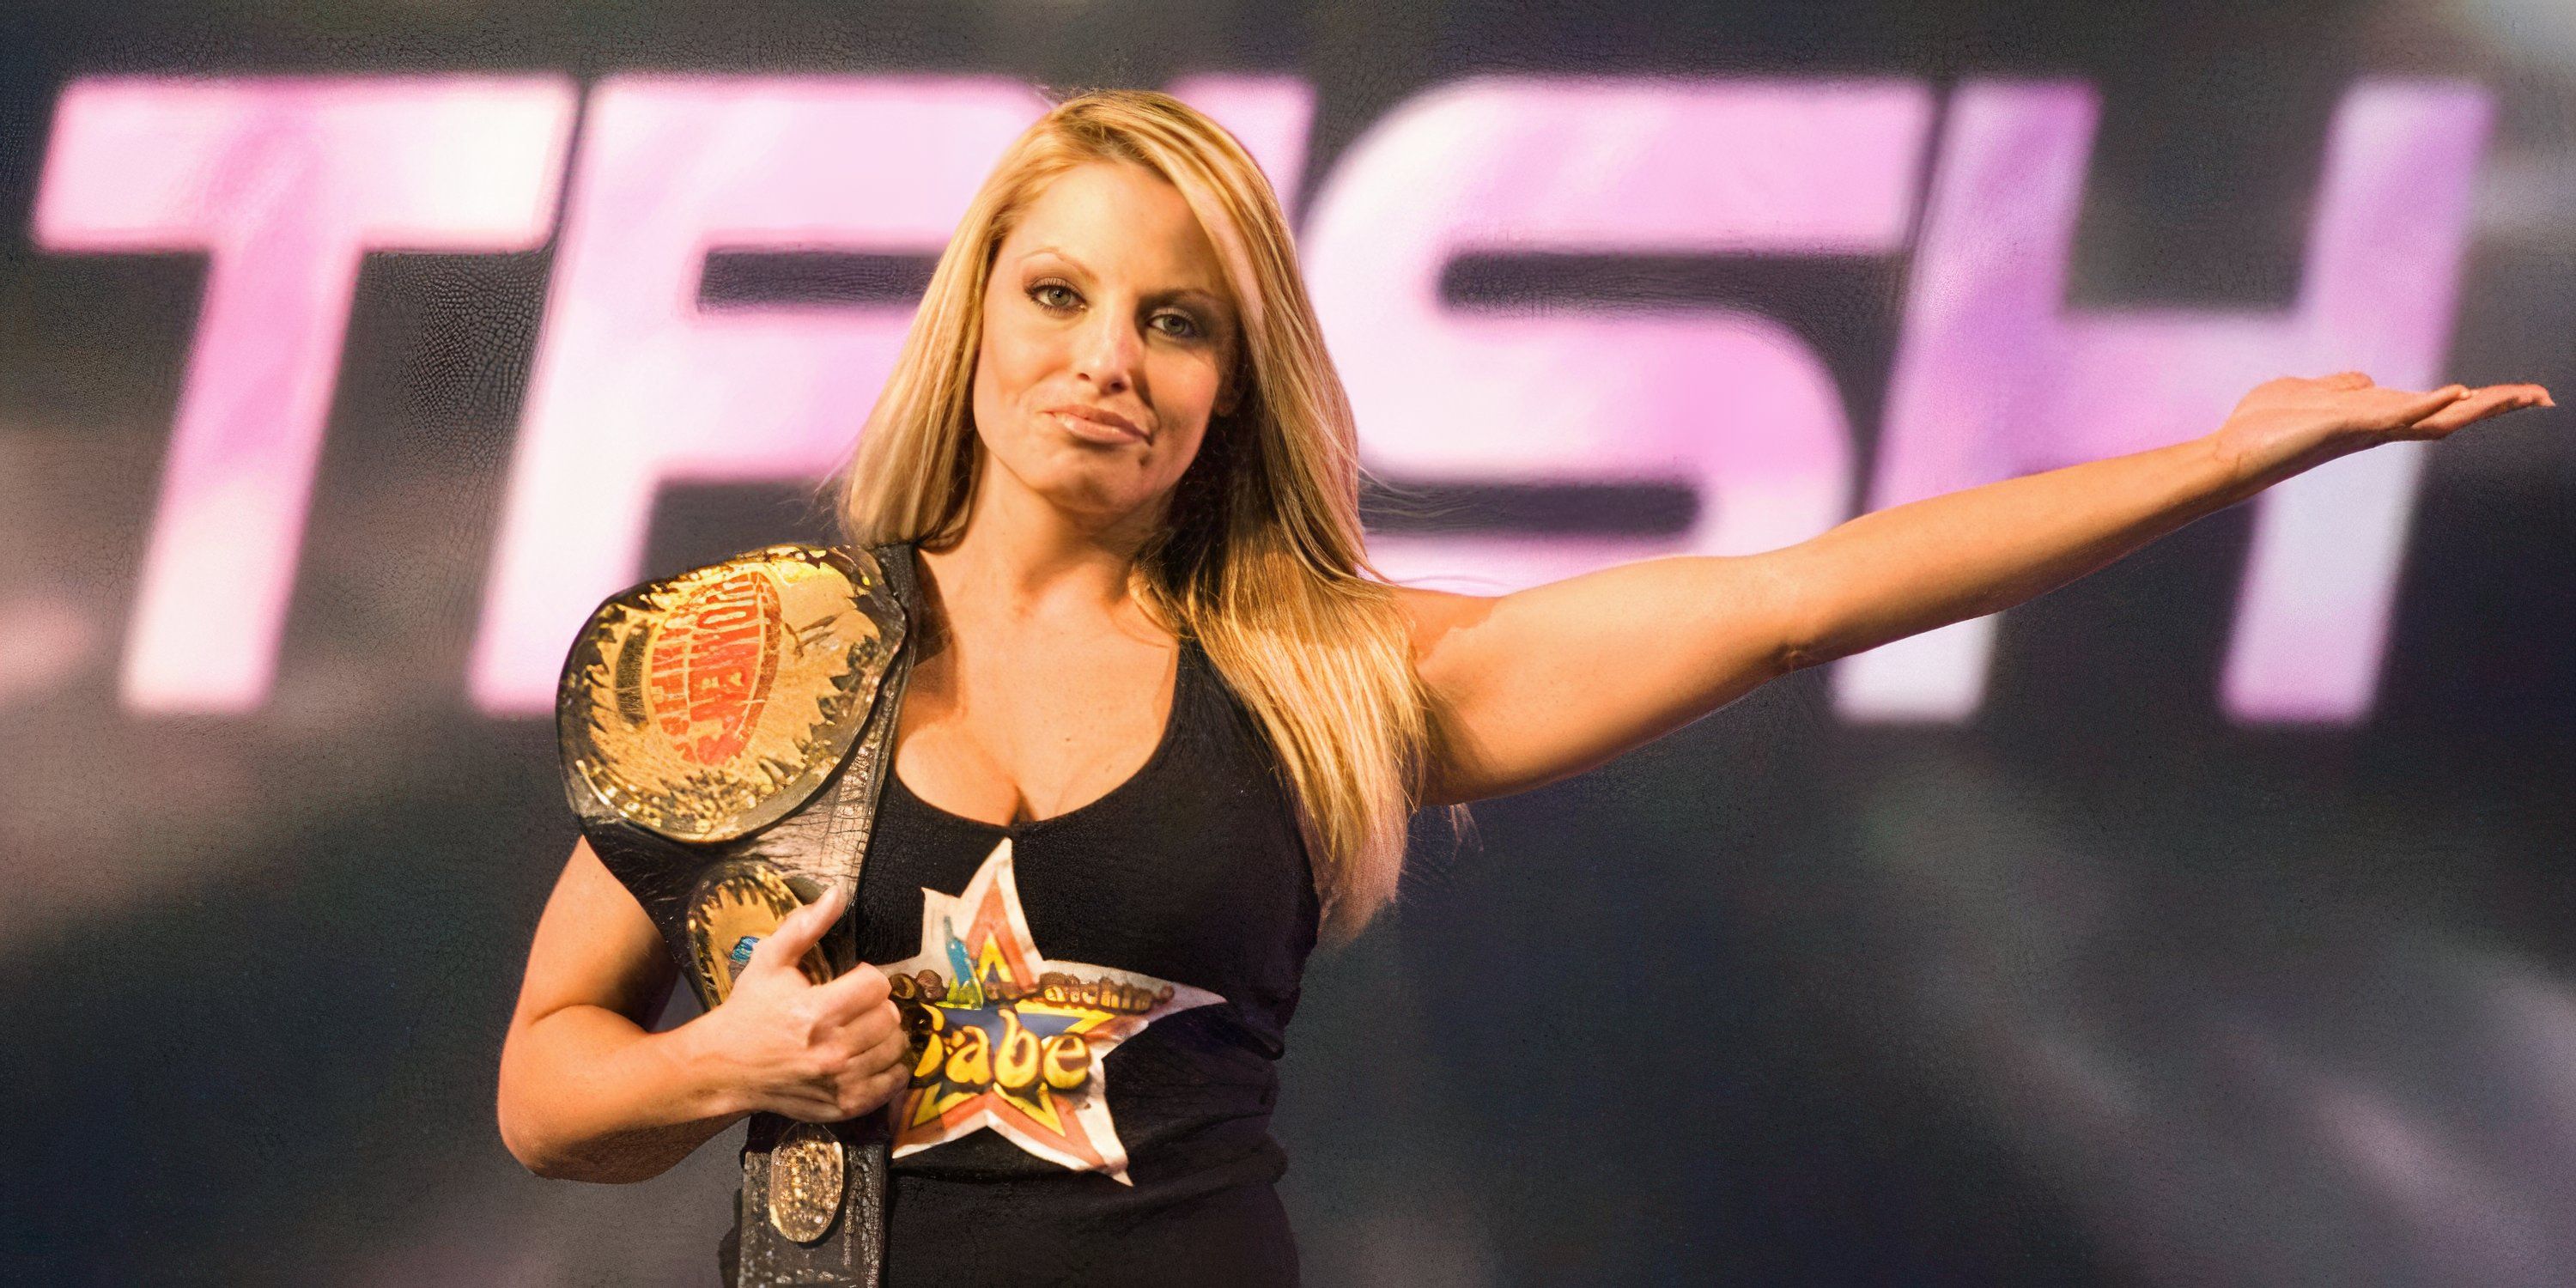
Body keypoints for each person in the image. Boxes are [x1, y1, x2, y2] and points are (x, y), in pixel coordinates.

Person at [493, 88, 2552, 1285]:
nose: (1105, 358)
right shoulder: (750, 659)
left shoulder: (1323, 679)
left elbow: (1795, 602)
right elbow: (547, 1080)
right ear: (975, 324)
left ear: (1232, 385)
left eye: (1175, 321)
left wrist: (2217, 455)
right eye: (1058, 295)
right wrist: (715, 1073)